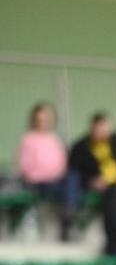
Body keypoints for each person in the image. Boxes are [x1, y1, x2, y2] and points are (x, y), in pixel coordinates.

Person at [16, 103, 81, 240]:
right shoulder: (28, 139)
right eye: (40, 120)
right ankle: (68, 222)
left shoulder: (54, 139)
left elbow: (62, 163)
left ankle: (68, 218)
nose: (43, 123)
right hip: (39, 182)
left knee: (73, 177)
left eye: (46, 120)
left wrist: (56, 173)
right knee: (69, 189)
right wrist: (46, 174)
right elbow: (25, 167)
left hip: (57, 180)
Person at [67, 110, 116, 195]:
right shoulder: (80, 147)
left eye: (104, 129)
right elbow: (74, 171)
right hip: (97, 186)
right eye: (98, 129)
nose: (101, 132)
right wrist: (91, 181)